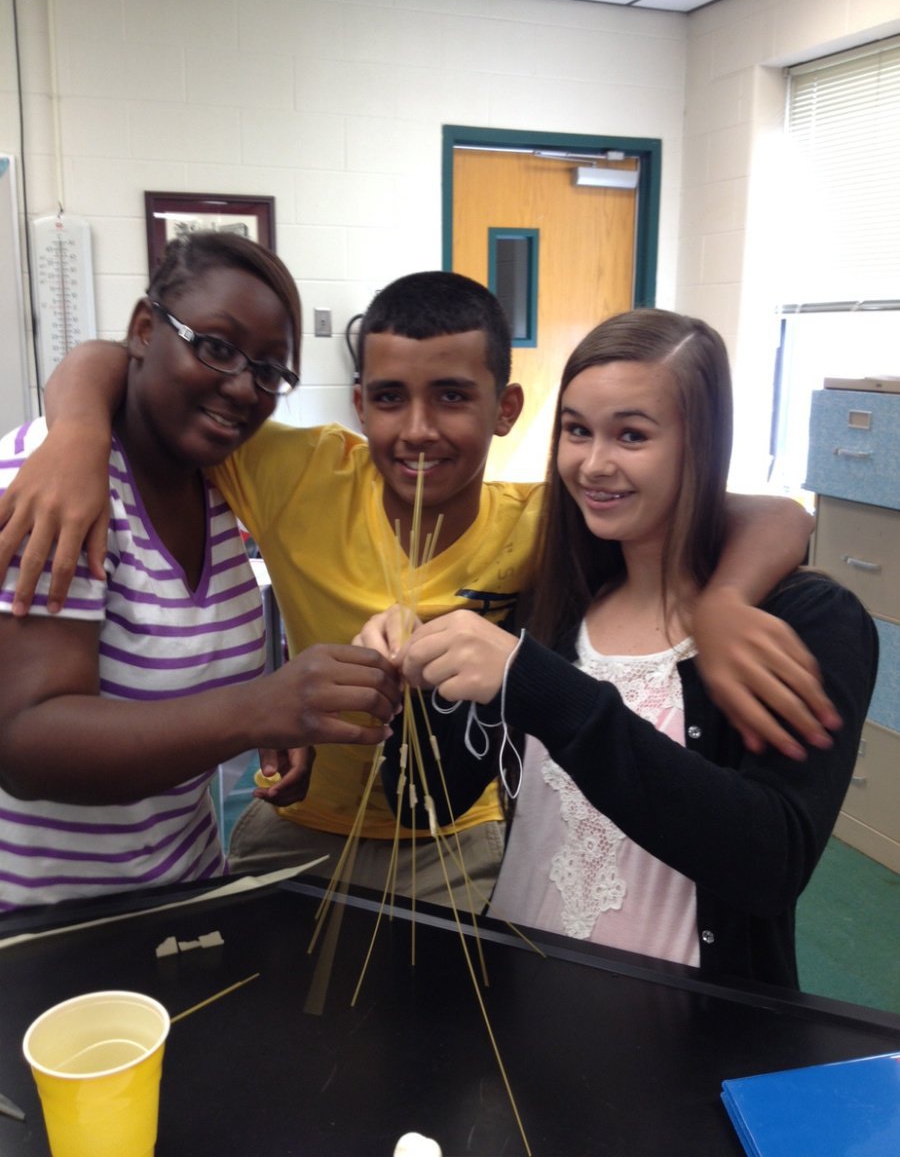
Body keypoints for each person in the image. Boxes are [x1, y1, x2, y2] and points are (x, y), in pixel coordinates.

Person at [0, 275, 834, 908]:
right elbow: (127, 360)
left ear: (506, 408)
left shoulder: (542, 525)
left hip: (458, 847)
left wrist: (723, 600)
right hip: (292, 830)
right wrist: (74, 429)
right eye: (390, 399)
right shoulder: (293, 470)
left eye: (453, 398)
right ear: (359, 402)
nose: (420, 430)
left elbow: (770, 514)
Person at [369, 308, 877, 988]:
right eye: (577, 431)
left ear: (700, 444)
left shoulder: (807, 621)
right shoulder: (553, 601)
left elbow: (770, 862)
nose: (594, 464)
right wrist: (421, 676)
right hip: (520, 998)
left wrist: (542, 688)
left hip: (685, 1033)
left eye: (631, 435)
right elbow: (420, 806)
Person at [0, 232, 400, 912]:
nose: (243, 387)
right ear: (146, 329)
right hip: (49, 927)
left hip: (181, 894)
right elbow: (22, 743)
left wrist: (280, 720)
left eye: (270, 371)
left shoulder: (219, 480)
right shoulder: (55, 482)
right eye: (216, 347)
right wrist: (255, 709)